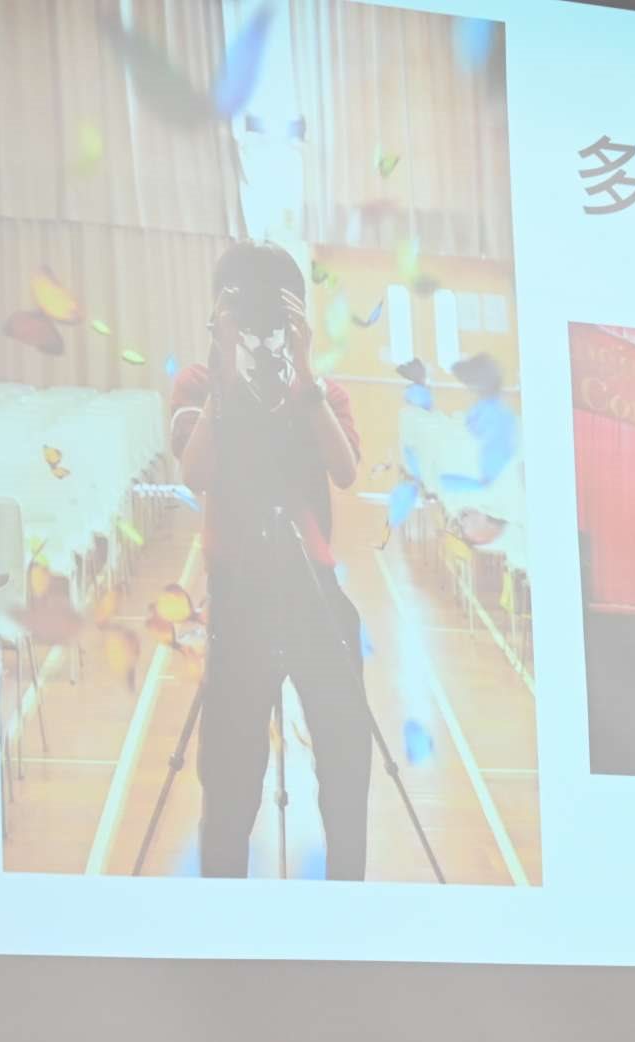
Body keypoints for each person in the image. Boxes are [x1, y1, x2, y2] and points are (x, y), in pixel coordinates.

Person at [169, 240, 370, 880]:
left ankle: (349, 900)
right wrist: (223, 370)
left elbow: (345, 470)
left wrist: (304, 372)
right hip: (239, 603)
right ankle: (224, 913)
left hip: (316, 598)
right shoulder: (201, 386)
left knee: (347, 763)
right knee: (229, 790)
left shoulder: (320, 391)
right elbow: (195, 473)